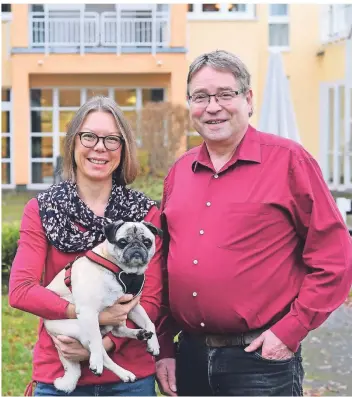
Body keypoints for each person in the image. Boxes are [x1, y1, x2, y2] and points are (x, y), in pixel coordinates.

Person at [155, 50, 352, 396]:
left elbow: (335, 258)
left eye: (225, 94)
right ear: (190, 105)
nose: (212, 106)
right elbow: (165, 269)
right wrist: (164, 347)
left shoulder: (290, 162)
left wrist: (290, 331)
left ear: (248, 100)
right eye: (200, 97)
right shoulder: (179, 173)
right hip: (190, 359)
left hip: (260, 361)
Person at [9, 96, 163, 396]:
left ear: (124, 148)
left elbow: (153, 299)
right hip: (59, 371)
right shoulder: (42, 209)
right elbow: (21, 290)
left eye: (112, 139)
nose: (99, 147)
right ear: (73, 142)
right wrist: (83, 315)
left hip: (128, 376)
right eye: (89, 136)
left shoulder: (144, 214)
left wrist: (102, 344)